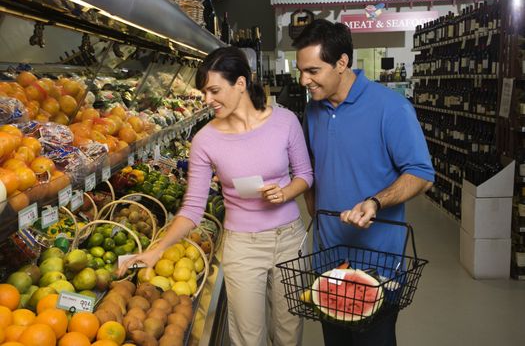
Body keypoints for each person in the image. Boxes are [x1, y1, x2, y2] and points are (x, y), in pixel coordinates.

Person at [119, 46, 313, 346]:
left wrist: (285, 192)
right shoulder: (204, 140)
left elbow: (305, 175)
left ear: (240, 83)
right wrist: (158, 249)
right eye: (204, 92)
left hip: (290, 240)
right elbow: (193, 208)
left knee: (290, 331)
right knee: (249, 337)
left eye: (213, 90)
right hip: (243, 247)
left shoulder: (284, 121)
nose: (207, 100)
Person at [293, 19, 435, 346]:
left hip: (378, 264)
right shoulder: (313, 110)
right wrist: (313, 202)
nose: (304, 80)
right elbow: (312, 163)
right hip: (327, 260)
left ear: (341, 63)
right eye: (302, 70)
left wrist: (375, 202)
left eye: (313, 70)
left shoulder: (392, 108)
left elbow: (422, 174)